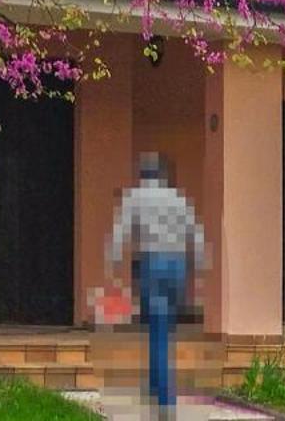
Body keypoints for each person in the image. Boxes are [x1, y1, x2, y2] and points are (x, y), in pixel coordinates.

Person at [106, 152, 208, 415]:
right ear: (162, 176)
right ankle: (155, 386)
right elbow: (196, 237)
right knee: (165, 329)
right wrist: (197, 272)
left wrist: (114, 268)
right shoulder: (178, 198)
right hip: (177, 265)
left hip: (154, 264)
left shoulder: (136, 197)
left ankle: (163, 398)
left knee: (157, 330)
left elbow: (119, 236)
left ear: (142, 174)